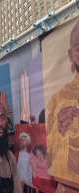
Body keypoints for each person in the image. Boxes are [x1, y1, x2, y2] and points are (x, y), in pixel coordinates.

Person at [46, 20, 79, 181]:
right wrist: (59, 130)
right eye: (78, 47)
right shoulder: (58, 99)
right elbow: (50, 157)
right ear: (70, 54)